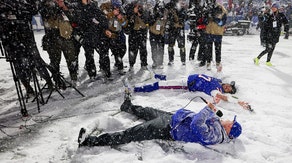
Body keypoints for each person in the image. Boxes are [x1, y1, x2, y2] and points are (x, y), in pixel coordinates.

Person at [77, 92, 242, 147]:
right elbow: (206, 117)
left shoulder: (214, 137)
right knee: (148, 111)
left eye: (231, 123)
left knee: (132, 133)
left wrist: (208, 109)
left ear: (229, 130)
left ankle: (90, 141)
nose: (228, 120)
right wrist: (213, 108)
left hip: (169, 129)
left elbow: (197, 123)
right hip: (174, 118)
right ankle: (127, 107)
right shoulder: (219, 126)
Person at [1, 0, 54, 96]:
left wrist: (18, 13)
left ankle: (49, 83)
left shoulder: (22, 3)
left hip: (27, 37)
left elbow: (33, 12)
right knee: (19, 67)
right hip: (11, 41)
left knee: (37, 61)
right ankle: (28, 89)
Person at [133, 73, 250, 110]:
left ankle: (138, 89)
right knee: (171, 79)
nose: (228, 87)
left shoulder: (217, 89)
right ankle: (162, 77)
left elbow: (221, 97)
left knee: (161, 86)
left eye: (230, 89)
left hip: (186, 84)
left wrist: (239, 102)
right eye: (230, 85)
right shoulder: (218, 81)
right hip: (188, 78)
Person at [40, 0, 79, 86]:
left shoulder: (68, 5)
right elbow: (45, 14)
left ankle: (74, 78)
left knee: (72, 59)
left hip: (66, 37)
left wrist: (64, 8)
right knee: (55, 62)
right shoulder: (46, 6)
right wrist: (53, 6)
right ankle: (57, 81)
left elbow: (74, 19)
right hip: (53, 39)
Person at [253, 2, 289, 66]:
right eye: (272, 8)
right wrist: (262, 17)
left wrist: (286, 31)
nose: (273, 9)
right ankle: (257, 58)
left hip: (276, 35)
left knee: (272, 48)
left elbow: (286, 23)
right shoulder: (270, 15)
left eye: (274, 8)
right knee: (268, 48)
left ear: (277, 8)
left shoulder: (281, 15)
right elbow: (265, 24)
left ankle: (268, 61)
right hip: (269, 34)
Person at [100, 0, 128, 75]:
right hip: (109, 33)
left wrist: (121, 19)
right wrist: (112, 13)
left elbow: (125, 24)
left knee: (123, 49)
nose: (117, 8)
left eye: (118, 6)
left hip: (119, 33)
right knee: (114, 51)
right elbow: (103, 15)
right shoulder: (105, 6)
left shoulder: (122, 10)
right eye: (116, 6)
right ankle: (119, 67)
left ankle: (118, 62)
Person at [124, 1, 149, 71]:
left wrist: (140, 13)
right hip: (133, 32)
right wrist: (133, 12)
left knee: (143, 49)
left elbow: (147, 18)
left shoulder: (143, 5)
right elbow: (126, 15)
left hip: (142, 32)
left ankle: (144, 64)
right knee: (132, 49)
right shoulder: (129, 6)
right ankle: (131, 64)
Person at [204, 0, 227, 71]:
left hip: (218, 33)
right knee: (208, 49)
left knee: (218, 49)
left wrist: (215, 19)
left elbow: (222, 23)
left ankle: (218, 63)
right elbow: (205, 21)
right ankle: (208, 63)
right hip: (209, 32)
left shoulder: (223, 11)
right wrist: (207, 18)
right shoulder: (209, 9)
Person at [165, 0, 187, 66]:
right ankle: (171, 60)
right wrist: (173, 24)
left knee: (182, 46)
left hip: (180, 29)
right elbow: (167, 17)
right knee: (170, 45)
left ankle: (183, 60)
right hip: (172, 29)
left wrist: (179, 23)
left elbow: (184, 17)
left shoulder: (182, 7)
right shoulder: (169, 6)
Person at [149, 0, 166, 69]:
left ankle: (160, 62)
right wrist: (155, 17)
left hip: (161, 33)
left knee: (161, 48)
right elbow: (149, 22)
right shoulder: (152, 11)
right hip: (153, 32)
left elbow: (167, 20)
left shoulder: (165, 11)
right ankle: (155, 62)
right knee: (154, 48)